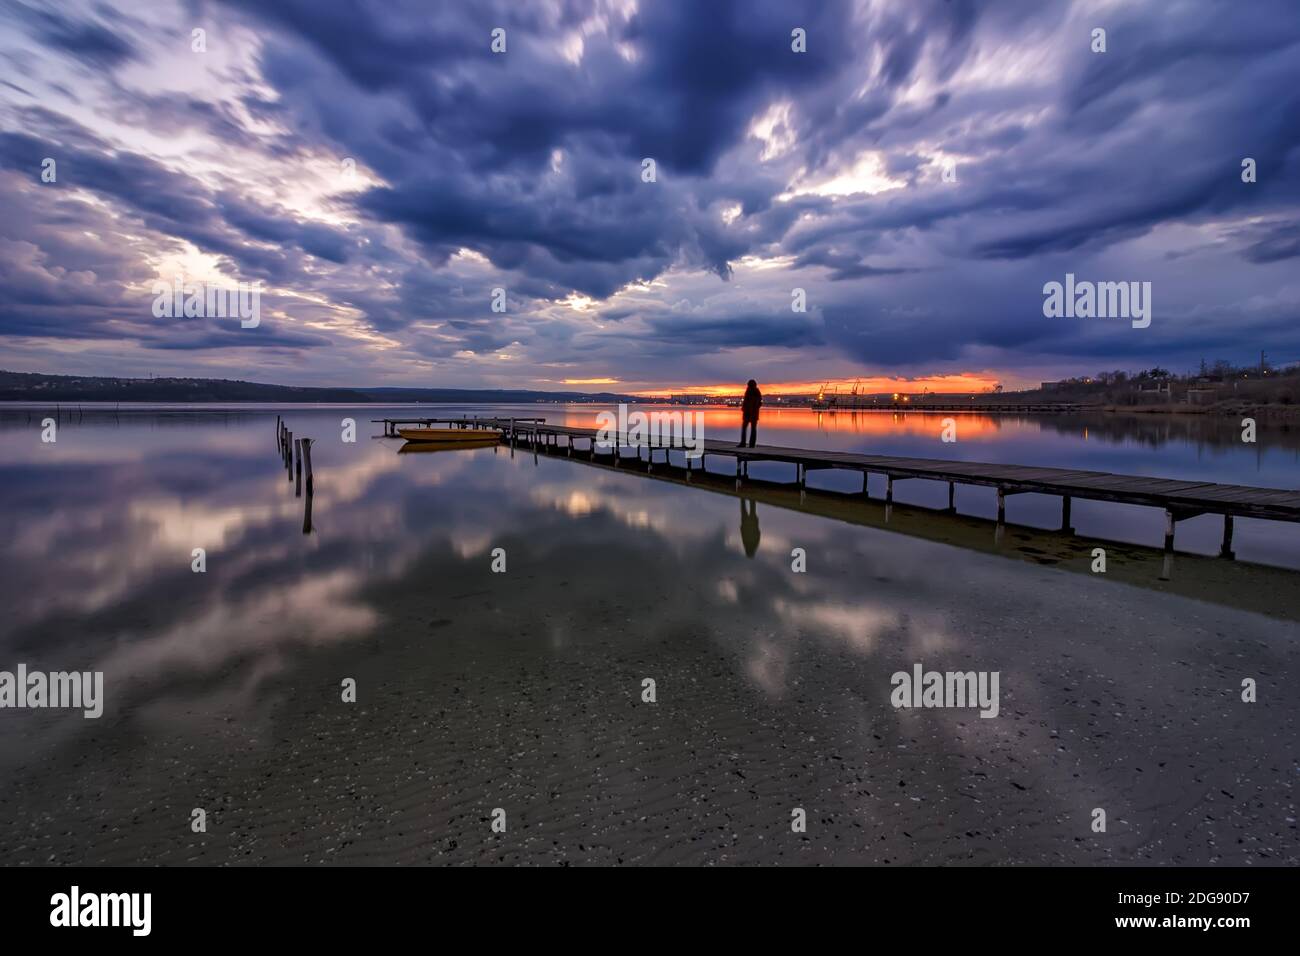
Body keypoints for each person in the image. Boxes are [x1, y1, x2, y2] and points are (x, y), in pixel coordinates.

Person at [739, 379, 762, 447]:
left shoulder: (755, 391)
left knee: (750, 429)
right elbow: (747, 402)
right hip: (748, 413)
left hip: (752, 414)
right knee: (750, 429)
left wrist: (753, 408)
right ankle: (749, 444)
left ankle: (747, 444)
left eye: (749, 384)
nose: (748, 385)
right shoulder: (750, 391)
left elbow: (758, 403)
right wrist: (744, 408)